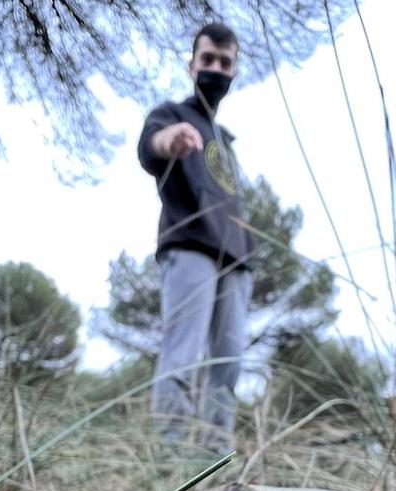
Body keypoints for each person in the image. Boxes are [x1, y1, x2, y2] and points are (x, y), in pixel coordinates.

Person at [137, 22, 253, 454]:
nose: (216, 69)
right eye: (208, 60)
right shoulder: (173, 114)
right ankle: (168, 464)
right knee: (182, 357)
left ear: (234, 70)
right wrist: (171, 141)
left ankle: (213, 464)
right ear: (192, 64)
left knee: (228, 366)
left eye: (225, 62)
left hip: (237, 259)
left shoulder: (225, 141)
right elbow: (151, 147)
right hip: (189, 247)